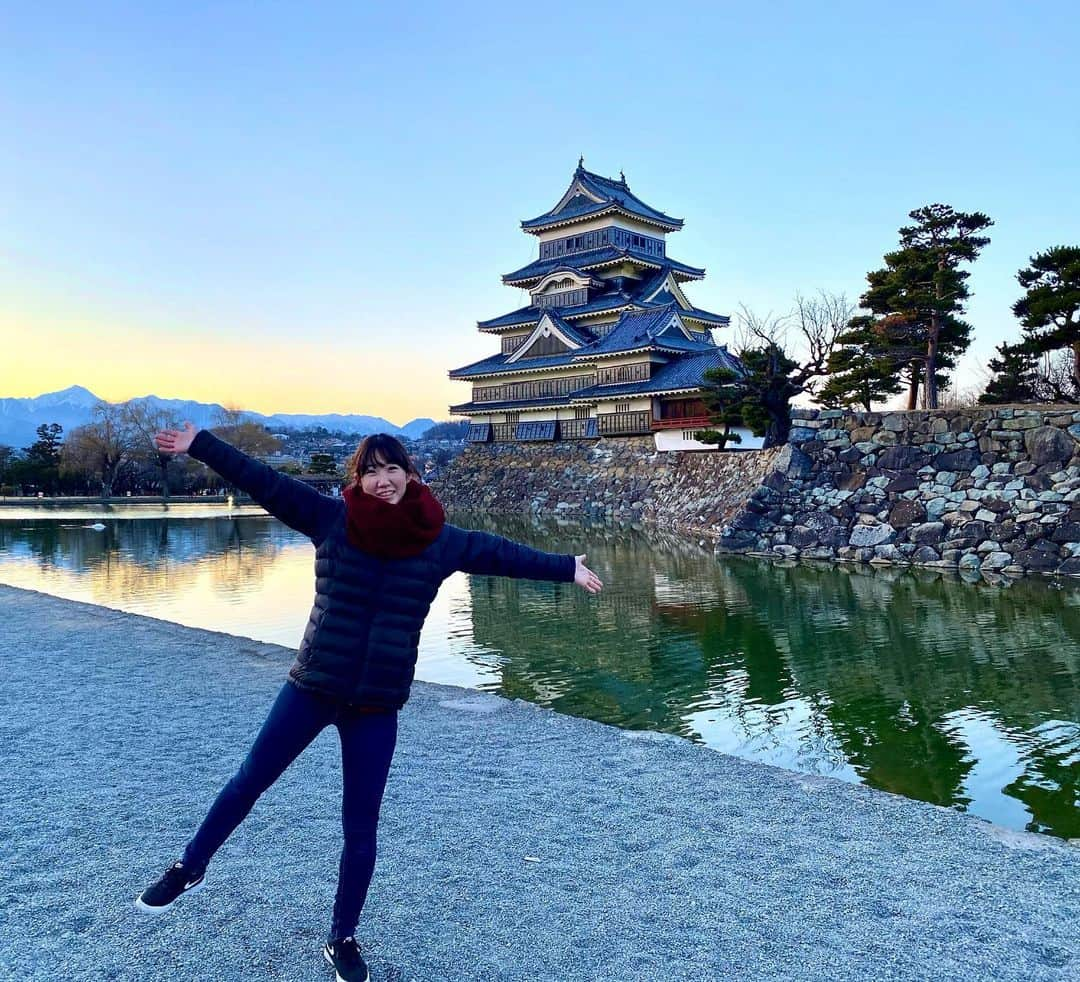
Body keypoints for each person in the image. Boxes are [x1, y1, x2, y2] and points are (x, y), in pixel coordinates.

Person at [134, 423, 603, 982]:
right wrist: (201, 445)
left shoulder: (440, 540)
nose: (383, 481)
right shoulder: (331, 519)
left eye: (392, 469)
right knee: (250, 779)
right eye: (371, 471)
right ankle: (189, 866)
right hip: (312, 687)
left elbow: (499, 552)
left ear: (411, 474)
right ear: (357, 479)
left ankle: (343, 937)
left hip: (376, 704)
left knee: (361, 827)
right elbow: (265, 481)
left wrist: (565, 567)